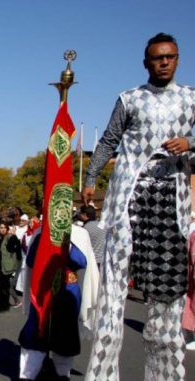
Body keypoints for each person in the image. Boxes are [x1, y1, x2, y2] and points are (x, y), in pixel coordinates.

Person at [83, 33, 195, 380]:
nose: (164, 62)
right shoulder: (129, 99)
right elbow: (109, 141)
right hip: (128, 198)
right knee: (114, 288)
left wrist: (190, 142)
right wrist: (90, 179)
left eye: (170, 57)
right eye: (157, 58)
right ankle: (102, 375)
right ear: (146, 63)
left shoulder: (191, 99)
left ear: (177, 59)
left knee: (166, 293)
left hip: (171, 200)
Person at [18, 225, 98, 380]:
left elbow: (81, 260)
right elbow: (30, 259)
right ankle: (28, 373)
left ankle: (62, 374)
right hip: (43, 290)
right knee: (36, 333)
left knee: (65, 335)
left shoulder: (79, 233)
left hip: (68, 290)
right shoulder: (41, 232)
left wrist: (65, 243)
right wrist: (45, 242)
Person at [0, 220, 22, 311]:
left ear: (7, 229)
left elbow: (12, 248)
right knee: (2, 286)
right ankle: (2, 304)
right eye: (1, 228)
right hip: (0, 265)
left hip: (6, 266)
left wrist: (13, 235)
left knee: (5, 287)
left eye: (4, 228)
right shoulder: (0, 238)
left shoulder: (9, 237)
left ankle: (4, 305)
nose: (2, 229)